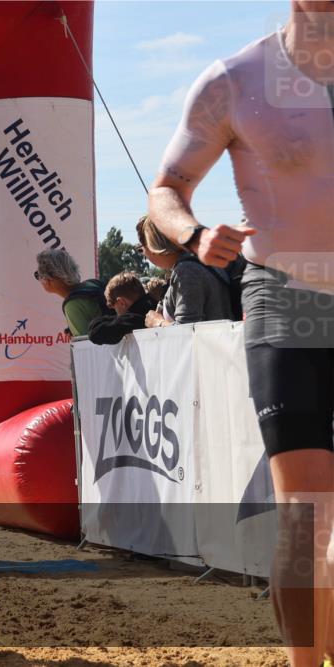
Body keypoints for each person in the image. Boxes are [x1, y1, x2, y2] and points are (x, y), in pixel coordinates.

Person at [148, 5, 333, 664]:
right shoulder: (235, 80)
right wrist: (195, 234)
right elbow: (166, 189)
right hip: (286, 297)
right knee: (306, 514)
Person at [134, 216, 232, 328]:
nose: (144, 256)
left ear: (153, 245)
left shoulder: (187, 271)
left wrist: (157, 322)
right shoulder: (198, 262)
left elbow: (186, 330)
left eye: (141, 249)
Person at [35, 248, 109, 336]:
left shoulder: (72, 304)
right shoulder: (92, 283)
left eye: (39, 275)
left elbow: (85, 343)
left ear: (49, 279)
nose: (40, 279)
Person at [87, 272, 158, 345]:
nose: (116, 313)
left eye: (114, 308)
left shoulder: (137, 317)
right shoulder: (155, 305)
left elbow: (95, 332)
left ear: (121, 302)